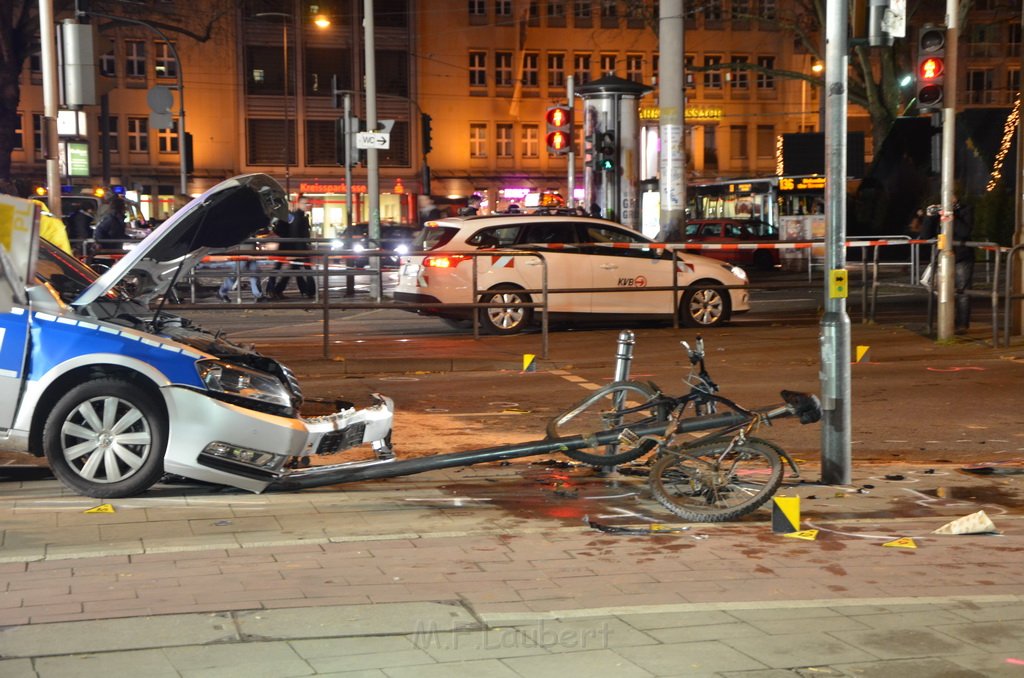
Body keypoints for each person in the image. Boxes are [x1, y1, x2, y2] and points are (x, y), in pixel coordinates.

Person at [919, 199, 974, 334]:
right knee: (940, 290)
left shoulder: (965, 209)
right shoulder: (938, 212)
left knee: (962, 292)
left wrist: (951, 217)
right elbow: (926, 235)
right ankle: (943, 321)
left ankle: (962, 325)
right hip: (942, 257)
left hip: (962, 256)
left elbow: (965, 232)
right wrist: (929, 217)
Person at [266, 194, 316, 299]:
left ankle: (277, 290)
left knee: (293, 269)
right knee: (289, 268)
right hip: (291, 247)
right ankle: (308, 291)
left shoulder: (296, 215)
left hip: (292, 247)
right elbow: (292, 233)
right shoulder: (291, 216)